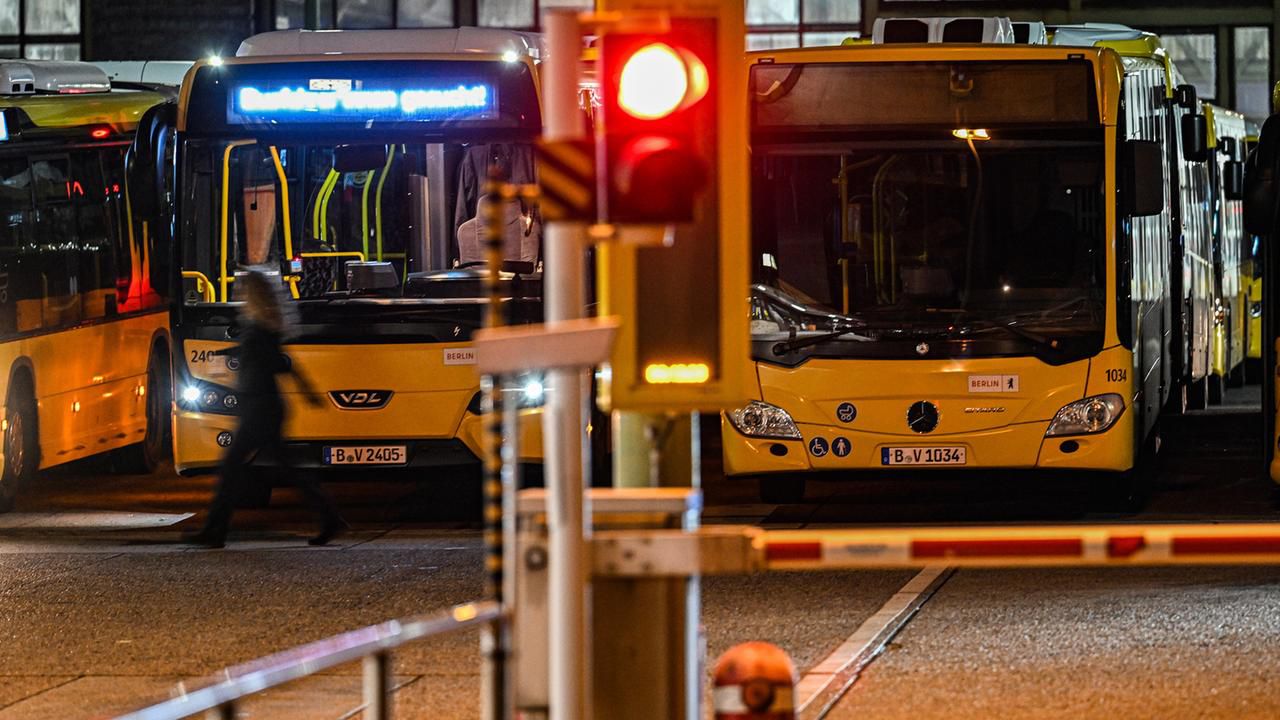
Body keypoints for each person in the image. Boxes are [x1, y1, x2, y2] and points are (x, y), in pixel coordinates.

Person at [183, 271, 346, 549]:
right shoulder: (260, 326)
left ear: (253, 296)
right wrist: (229, 354)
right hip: (263, 406)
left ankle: (215, 531)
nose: (239, 295)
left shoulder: (260, 328)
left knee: (232, 467)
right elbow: (274, 359)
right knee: (288, 468)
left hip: (261, 408)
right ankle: (330, 519)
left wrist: (305, 389)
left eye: (243, 290)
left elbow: (278, 362)